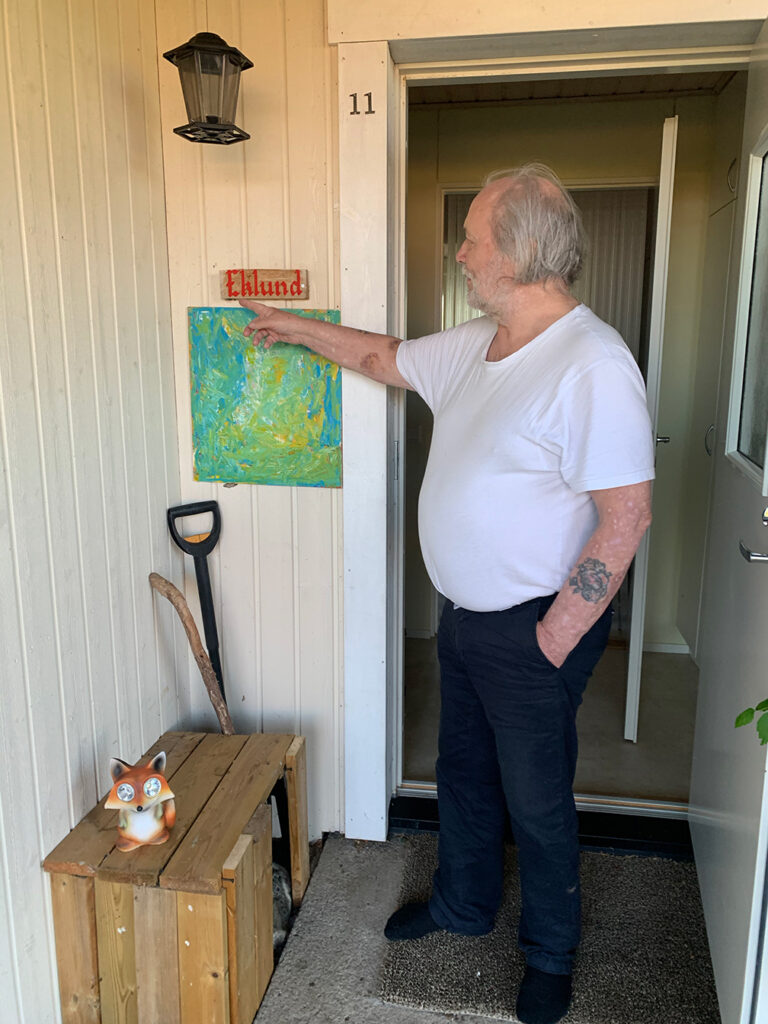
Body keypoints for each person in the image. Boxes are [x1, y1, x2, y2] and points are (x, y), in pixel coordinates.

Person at [239, 163, 654, 1024]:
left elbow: (626, 517)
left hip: (535, 627)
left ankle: (551, 954)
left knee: (537, 800)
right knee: (463, 771)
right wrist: (294, 327)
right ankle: (464, 905)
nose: (459, 253)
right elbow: (383, 357)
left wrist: (551, 639)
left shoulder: (592, 363)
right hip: (464, 620)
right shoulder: (475, 344)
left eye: (471, 238)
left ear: (519, 251)